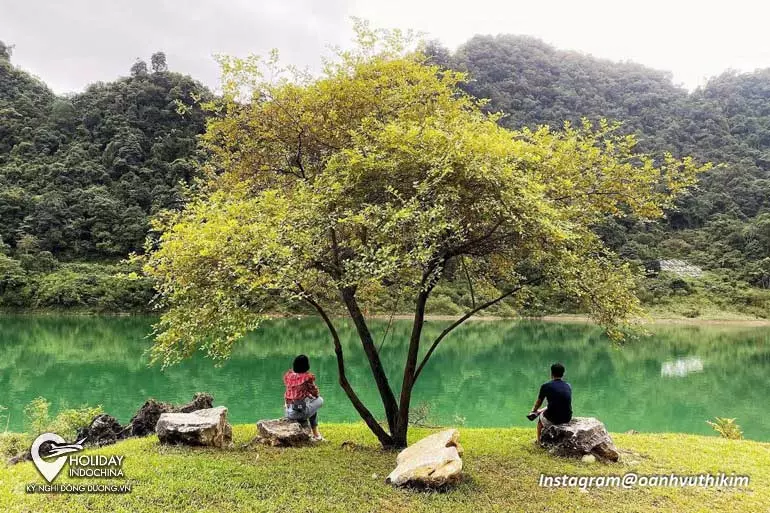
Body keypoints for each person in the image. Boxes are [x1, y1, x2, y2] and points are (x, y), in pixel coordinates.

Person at [284, 354, 325, 441]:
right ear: (306, 366)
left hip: (288, 412)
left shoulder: (289, 376)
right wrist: (312, 394)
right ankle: (316, 435)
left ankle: (316, 434)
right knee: (319, 400)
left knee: (311, 403)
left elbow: (295, 393)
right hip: (299, 413)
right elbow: (315, 393)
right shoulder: (307, 377)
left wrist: (307, 395)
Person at [528, 362, 572, 442]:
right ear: (563, 374)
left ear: (551, 373)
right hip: (567, 417)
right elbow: (560, 402)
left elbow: (538, 402)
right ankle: (538, 412)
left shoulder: (546, 386)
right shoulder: (568, 385)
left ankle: (539, 442)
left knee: (541, 420)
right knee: (550, 407)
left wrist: (533, 410)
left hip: (555, 418)